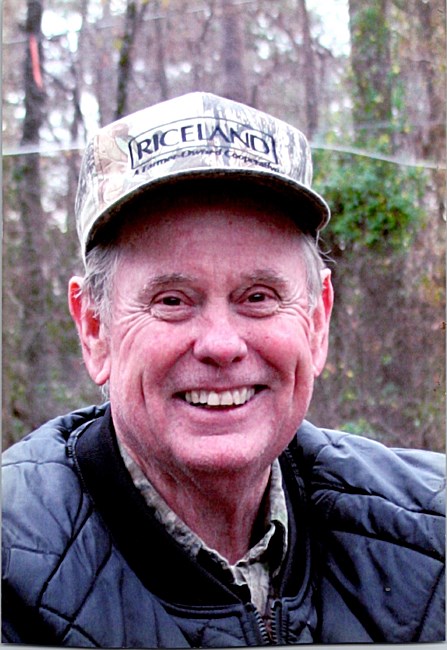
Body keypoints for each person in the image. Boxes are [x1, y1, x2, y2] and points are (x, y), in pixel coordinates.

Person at [2, 92, 445, 647]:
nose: (221, 344)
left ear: (317, 321)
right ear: (94, 327)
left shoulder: (432, 538)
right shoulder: (13, 577)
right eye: (171, 300)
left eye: (258, 297)